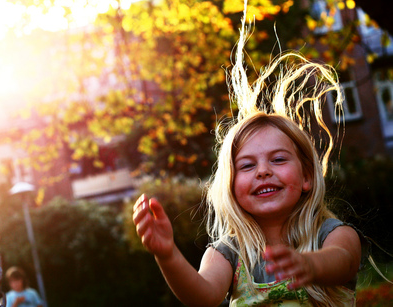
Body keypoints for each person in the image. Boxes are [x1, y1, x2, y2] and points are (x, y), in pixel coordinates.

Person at [132, 2, 369, 306]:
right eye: (246, 165)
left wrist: (309, 265)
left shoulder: (331, 234)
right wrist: (167, 254)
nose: (263, 171)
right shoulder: (229, 251)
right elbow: (203, 296)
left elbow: (343, 261)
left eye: (279, 159)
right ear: (230, 184)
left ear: (307, 175)